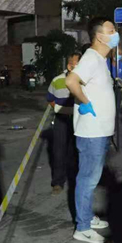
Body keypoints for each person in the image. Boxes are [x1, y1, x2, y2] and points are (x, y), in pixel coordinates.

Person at [65, 17, 117, 243]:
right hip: (92, 132)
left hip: (100, 130)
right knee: (87, 179)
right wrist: (85, 102)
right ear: (99, 36)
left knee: (92, 178)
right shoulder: (91, 58)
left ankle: (86, 217)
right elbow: (71, 81)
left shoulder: (99, 60)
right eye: (111, 30)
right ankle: (82, 227)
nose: (115, 34)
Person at [47, 52, 81, 194]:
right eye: (75, 64)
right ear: (69, 66)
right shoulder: (57, 81)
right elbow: (50, 99)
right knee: (58, 151)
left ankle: (77, 181)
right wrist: (60, 109)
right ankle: (58, 182)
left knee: (77, 150)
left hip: (79, 120)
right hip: (61, 120)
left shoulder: (84, 80)